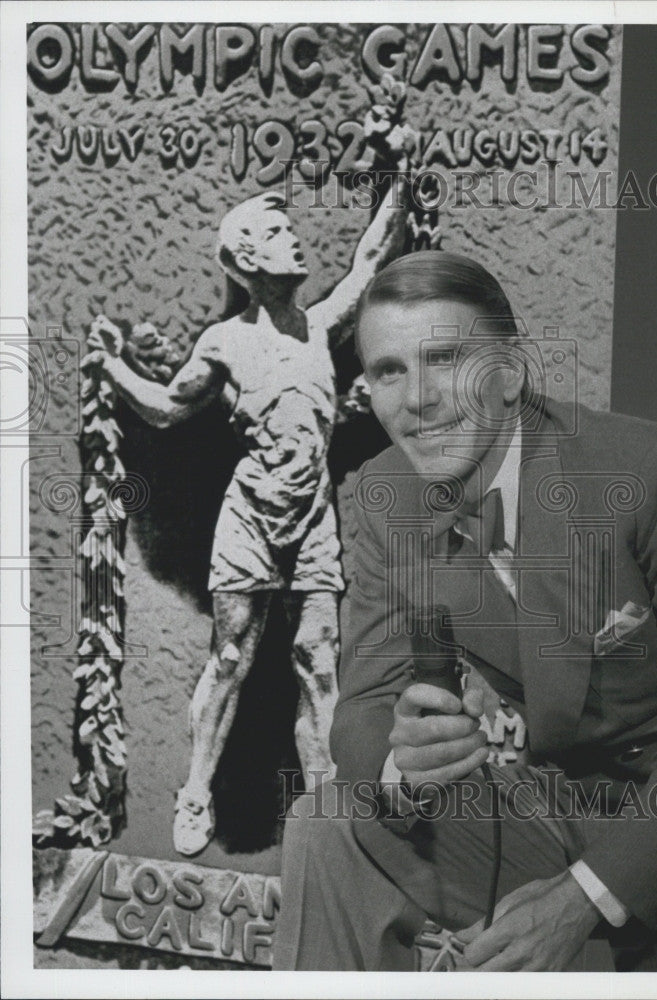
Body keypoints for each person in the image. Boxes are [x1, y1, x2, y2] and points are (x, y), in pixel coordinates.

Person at [272, 251, 657, 972]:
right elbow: (362, 708)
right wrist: (404, 759)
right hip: (533, 811)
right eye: (389, 371)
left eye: (445, 359)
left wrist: (582, 898)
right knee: (326, 819)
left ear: (511, 373)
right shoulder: (382, 494)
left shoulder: (654, 475)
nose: (418, 397)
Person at [86, 186, 404, 856]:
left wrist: (399, 167)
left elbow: (372, 255)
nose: (296, 239)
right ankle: (197, 791)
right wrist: (112, 368)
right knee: (230, 656)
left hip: (312, 518)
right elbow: (170, 409)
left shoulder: (319, 326)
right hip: (251, 518)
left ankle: (328, 818)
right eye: (280, 231)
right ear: (249, 255)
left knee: (319, 662)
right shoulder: (226, 342)